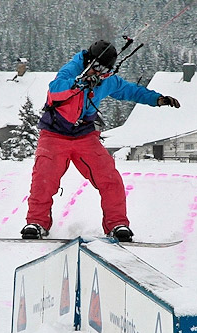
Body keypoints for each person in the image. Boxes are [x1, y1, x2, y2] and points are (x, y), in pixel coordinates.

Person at [21, 40, 180, 241]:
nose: (99, 73)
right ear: (88, 61)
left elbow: (131, 90)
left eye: (104, 70)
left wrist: (157, 99)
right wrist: (78, 82)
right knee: (44, 178)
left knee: (109, 178)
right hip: (54, 134)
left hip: (85, 135)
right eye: (96, 68)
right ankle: (36, 222)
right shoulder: (72, 69)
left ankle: (117, 224)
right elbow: (55, 90)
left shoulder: (107, 80)